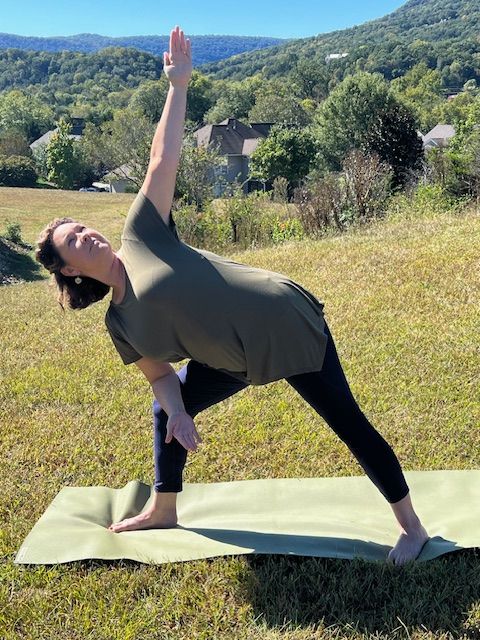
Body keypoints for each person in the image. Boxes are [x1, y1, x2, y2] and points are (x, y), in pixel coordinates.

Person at [35, 25, 430, 565]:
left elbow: (161, 160)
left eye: (82, 226)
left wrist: (178, 86)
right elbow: (159, 376)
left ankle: (412, 528)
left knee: (348, 424)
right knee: (165, 410)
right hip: (230, 360)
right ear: (70, 270)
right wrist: (179, 412)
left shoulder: (141, 234)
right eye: (74, 240)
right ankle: (164, 508)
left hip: (280, 320)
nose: (87, 234)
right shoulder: (120, 325)